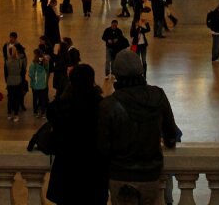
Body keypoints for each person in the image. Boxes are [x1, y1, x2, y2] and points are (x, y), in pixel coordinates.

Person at [98, 49, 179, 205]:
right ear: (141, 71)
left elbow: (102, 147)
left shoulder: (108, 105)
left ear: (116, 74)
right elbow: (171, 135)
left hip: (120, 176)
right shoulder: (158, 95)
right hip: (151, 174)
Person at [46, 64, 108, 205]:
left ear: (71, 82)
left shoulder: (62, 106)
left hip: (66, 177)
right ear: (92, 81)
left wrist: (67, 92)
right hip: (93, 177)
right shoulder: (101, 106)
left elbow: (51, 112)